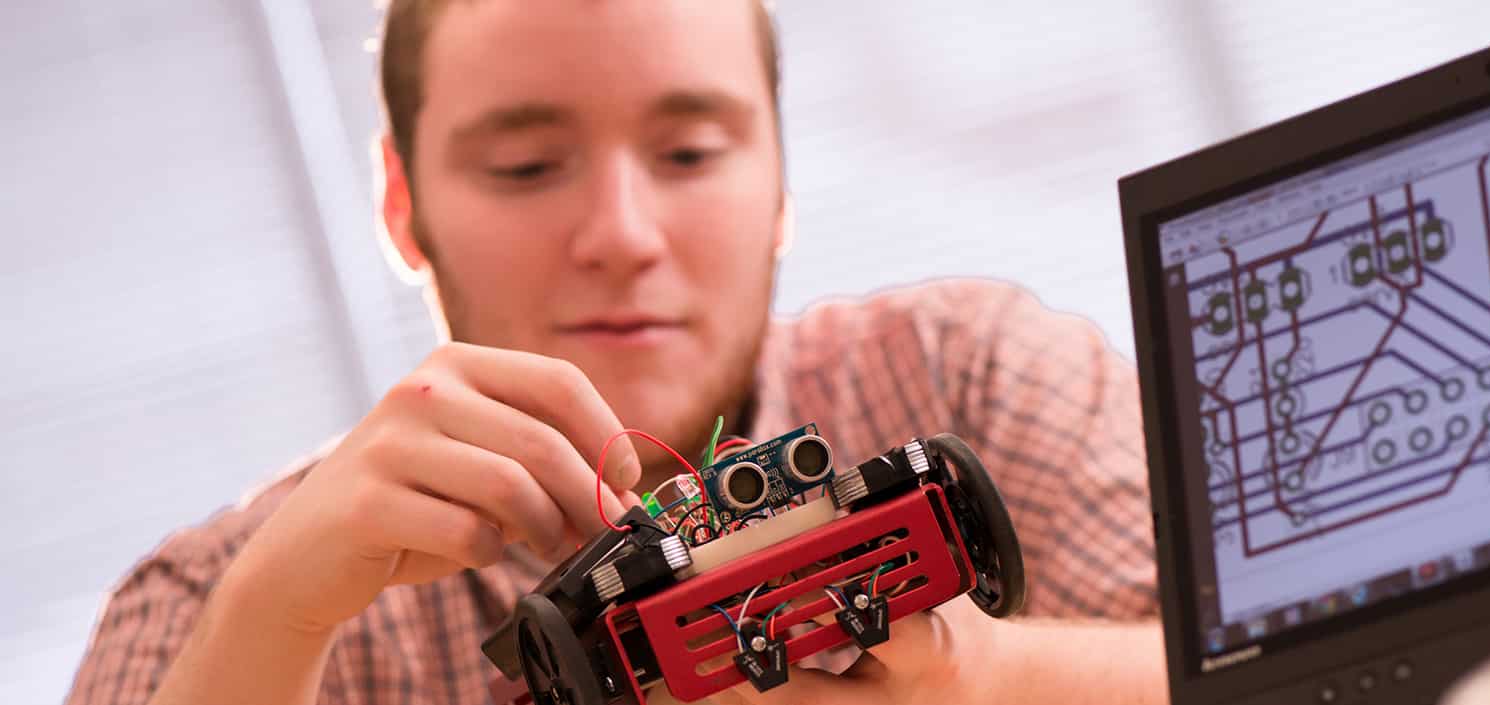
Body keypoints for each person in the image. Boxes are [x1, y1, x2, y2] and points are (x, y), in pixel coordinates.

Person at [62, 1, 1166, 704]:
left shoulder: (973, 373)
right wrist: (267, 627)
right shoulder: (224, 596)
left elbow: (1290, 663)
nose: (624, 236)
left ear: (780, 177)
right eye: (530, 166)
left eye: (688, 152)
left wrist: (987, 680)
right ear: (402, 206)